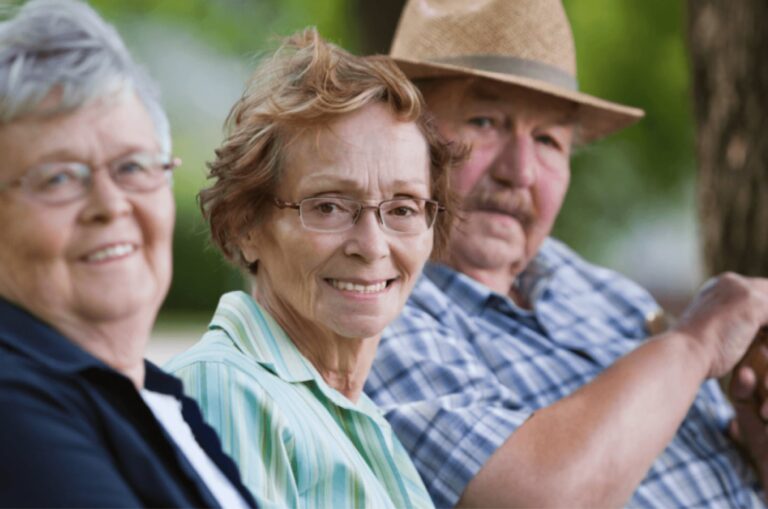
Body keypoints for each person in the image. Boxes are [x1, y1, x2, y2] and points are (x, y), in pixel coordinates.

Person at [363, 0, 768, 507]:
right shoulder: (372, 306)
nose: (521, 172)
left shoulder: (597, 288)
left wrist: (755, 456)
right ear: (398, 137)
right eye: (485, 121)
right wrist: (696, 342)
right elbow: (533, 499)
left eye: (549, 140)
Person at [165, 28, 461, 509]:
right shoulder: (224, 390)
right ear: (245, 224)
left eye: (403, 208)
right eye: (328, 206)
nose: (371, 246)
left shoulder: (353, 415)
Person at [0, 1, 256, 507]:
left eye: (133, 166)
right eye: (58, 177)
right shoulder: (13, 402)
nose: (110, 205)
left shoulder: (157, 396)